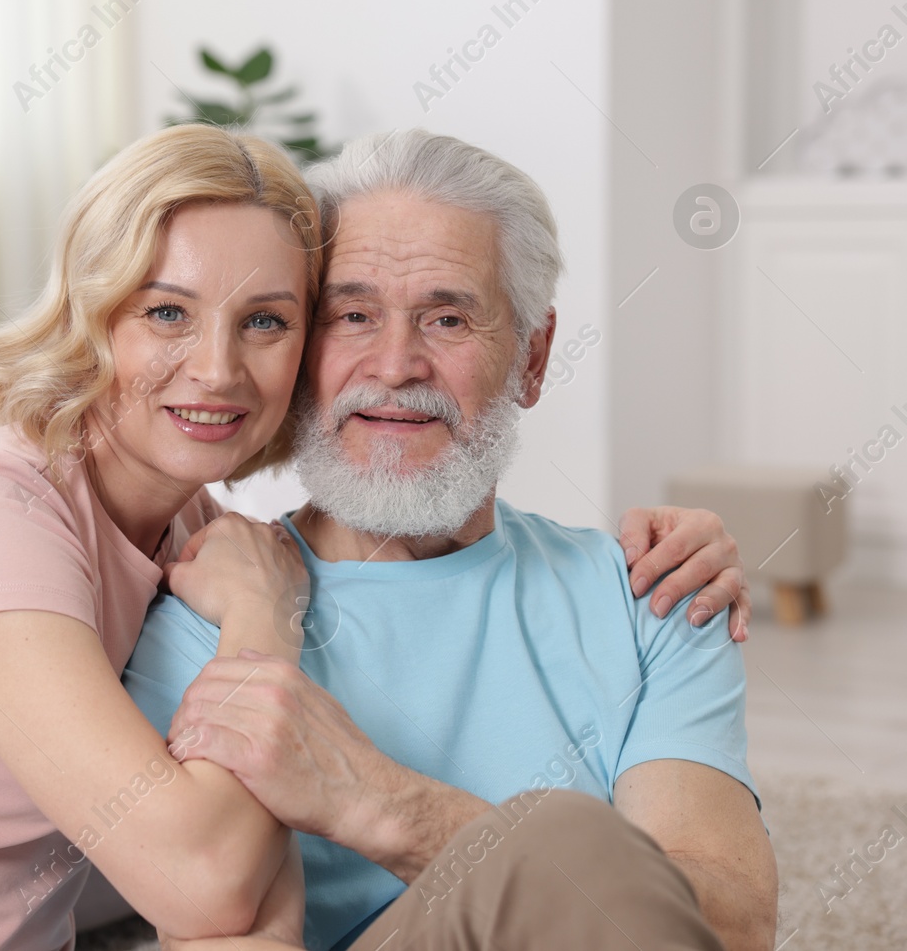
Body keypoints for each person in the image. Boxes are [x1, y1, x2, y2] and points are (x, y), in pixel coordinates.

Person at [0, 125, 748, 951]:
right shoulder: (19, 521)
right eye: (165, 312)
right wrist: (267, 618)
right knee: (551, 837)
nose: (219, 370)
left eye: (266, 320)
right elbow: (213, 883)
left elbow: (733, 917)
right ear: (93, 316)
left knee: (552, 842)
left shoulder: (194, 537)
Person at [123, 130, 777, 951]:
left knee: (564, 836)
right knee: (570, 839)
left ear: (532, 358)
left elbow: (735, 926)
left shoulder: (654, 592)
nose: (396, 365)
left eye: (448, 317)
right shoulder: (209, 608)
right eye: (353, 315)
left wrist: (382, 803)